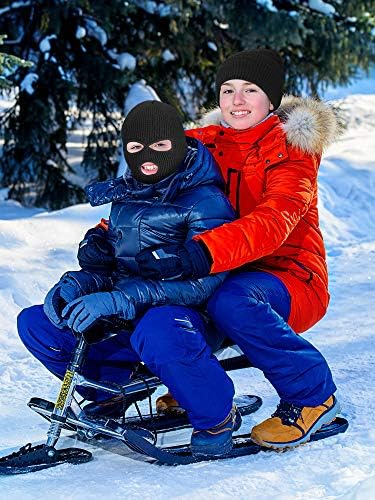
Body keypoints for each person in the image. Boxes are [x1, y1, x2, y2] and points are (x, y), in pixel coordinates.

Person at [135, 49, 341, 450]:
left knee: (231, 300)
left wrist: (201, 252)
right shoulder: (200, 144)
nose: (237, 100)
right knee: (165, 304)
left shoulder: (292, 151)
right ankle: (195, 384)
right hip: (219, 271)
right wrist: (103, 234)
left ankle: (312, 396)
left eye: (250, 90)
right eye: (228, 90)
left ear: (272, 99)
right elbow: (147, 194)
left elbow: (273, 223)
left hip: (289, 277)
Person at [17, 100, 242, 459]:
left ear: (179, 144)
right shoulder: (127, 196)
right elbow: (110, 266)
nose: (147, 156)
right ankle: (112, 392)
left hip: (186, 318)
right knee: (36, 323)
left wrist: (122, 299)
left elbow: (204, 283)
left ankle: (218, 416)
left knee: (157, 328)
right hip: (130, 314)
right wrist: (78, 284)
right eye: (136, 148)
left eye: (160, 146)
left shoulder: (205, 201)